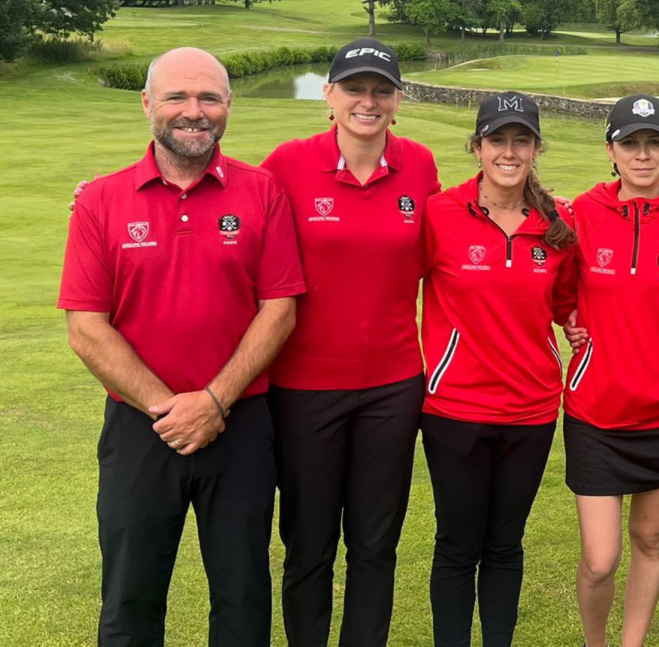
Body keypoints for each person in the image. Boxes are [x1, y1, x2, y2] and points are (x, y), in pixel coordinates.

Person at [58, 47, 305, 646]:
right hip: (139, 429)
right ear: (148, 104)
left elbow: (280, 309)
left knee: (243, 597)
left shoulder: (263, 192)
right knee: (130, 596)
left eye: (209, 98)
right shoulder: (101, 201)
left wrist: (215, 402)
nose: (193, 112)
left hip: (240, 425)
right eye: (177, 97)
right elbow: (86, 325)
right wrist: (169, 408)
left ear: (228, 106)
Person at [259, 38, 440, 646]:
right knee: (308, 544)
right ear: (329, 95)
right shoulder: (286, 164)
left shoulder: (419, 165)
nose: (368, 101)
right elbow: (230, 221)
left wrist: (552, 215)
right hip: (304, 388)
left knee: (374, 543)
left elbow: (466, 232)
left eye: (381, 90)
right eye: (355, 89)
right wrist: (103, 197)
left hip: (392, 386)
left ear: (397, 100)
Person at [418, 91, 578, 646]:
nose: (508, 152)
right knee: (458, 544)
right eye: (497, 140)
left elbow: (565, 300)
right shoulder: (440, 212)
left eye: (521, 141)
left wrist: (574, 322)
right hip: (454, 409)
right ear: (478, 147)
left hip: (531, 411)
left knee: (505, 544)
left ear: (535, 149)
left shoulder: (556, 223)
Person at [562, 94, 659, 647]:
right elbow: (552, 284)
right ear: (612, 149)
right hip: (596, 412)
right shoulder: (579, 212)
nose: (643, 154)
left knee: (650, 539)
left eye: (654, 143)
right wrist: (569, 319)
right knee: (600, 559)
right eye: (631, 142)